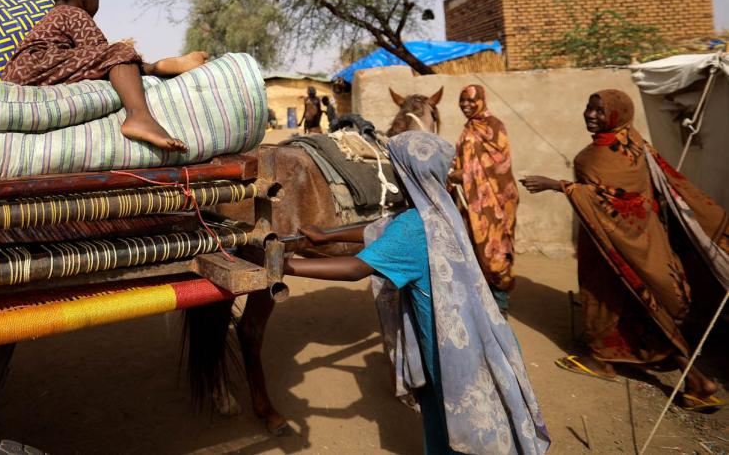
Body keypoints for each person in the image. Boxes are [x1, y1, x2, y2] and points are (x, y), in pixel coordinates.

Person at [291, 132, 550, 454]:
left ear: (406, 173)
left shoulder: (414, 227)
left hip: (445, 348)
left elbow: (356, 268)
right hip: (467, 332)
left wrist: (286, 266)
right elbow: (383, 227)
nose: (391, 171)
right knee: (451, 411)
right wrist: (324, 236)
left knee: (454, 416)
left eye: (394, 165)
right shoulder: (439, 208)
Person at [521, 90, 726, 411]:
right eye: (589, 107)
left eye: (600, 111)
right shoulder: (636, 142)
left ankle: (677, 375)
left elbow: (617, 200)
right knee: (641, 303)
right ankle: (693, 380)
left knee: (631, 301)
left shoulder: (600, 154)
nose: (590, 114)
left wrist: (558, 185)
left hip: (620, 244)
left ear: (617, 114)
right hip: (643, 240)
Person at [3, 0, 208, 152]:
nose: (99, 3)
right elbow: (104, 54)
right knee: (119, 51)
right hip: (39, 66)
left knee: (117, 55)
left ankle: (157, 67)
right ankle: (139, 116)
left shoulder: (53, 16)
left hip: (24, 70)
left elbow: (90, 59)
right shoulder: (75, 13)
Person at [448, 84, 519, 315]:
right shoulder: (467, 129)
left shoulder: (494, 126)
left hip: (495, 200)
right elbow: (461, 161)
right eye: (462, 100)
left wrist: (464, 175)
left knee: (495, 249)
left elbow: (499, 165)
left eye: (471, 100)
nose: (466, 105)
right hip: (471, 200)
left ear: (482, 100)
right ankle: (482, 301)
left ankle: (500, 301)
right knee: (473, 248)